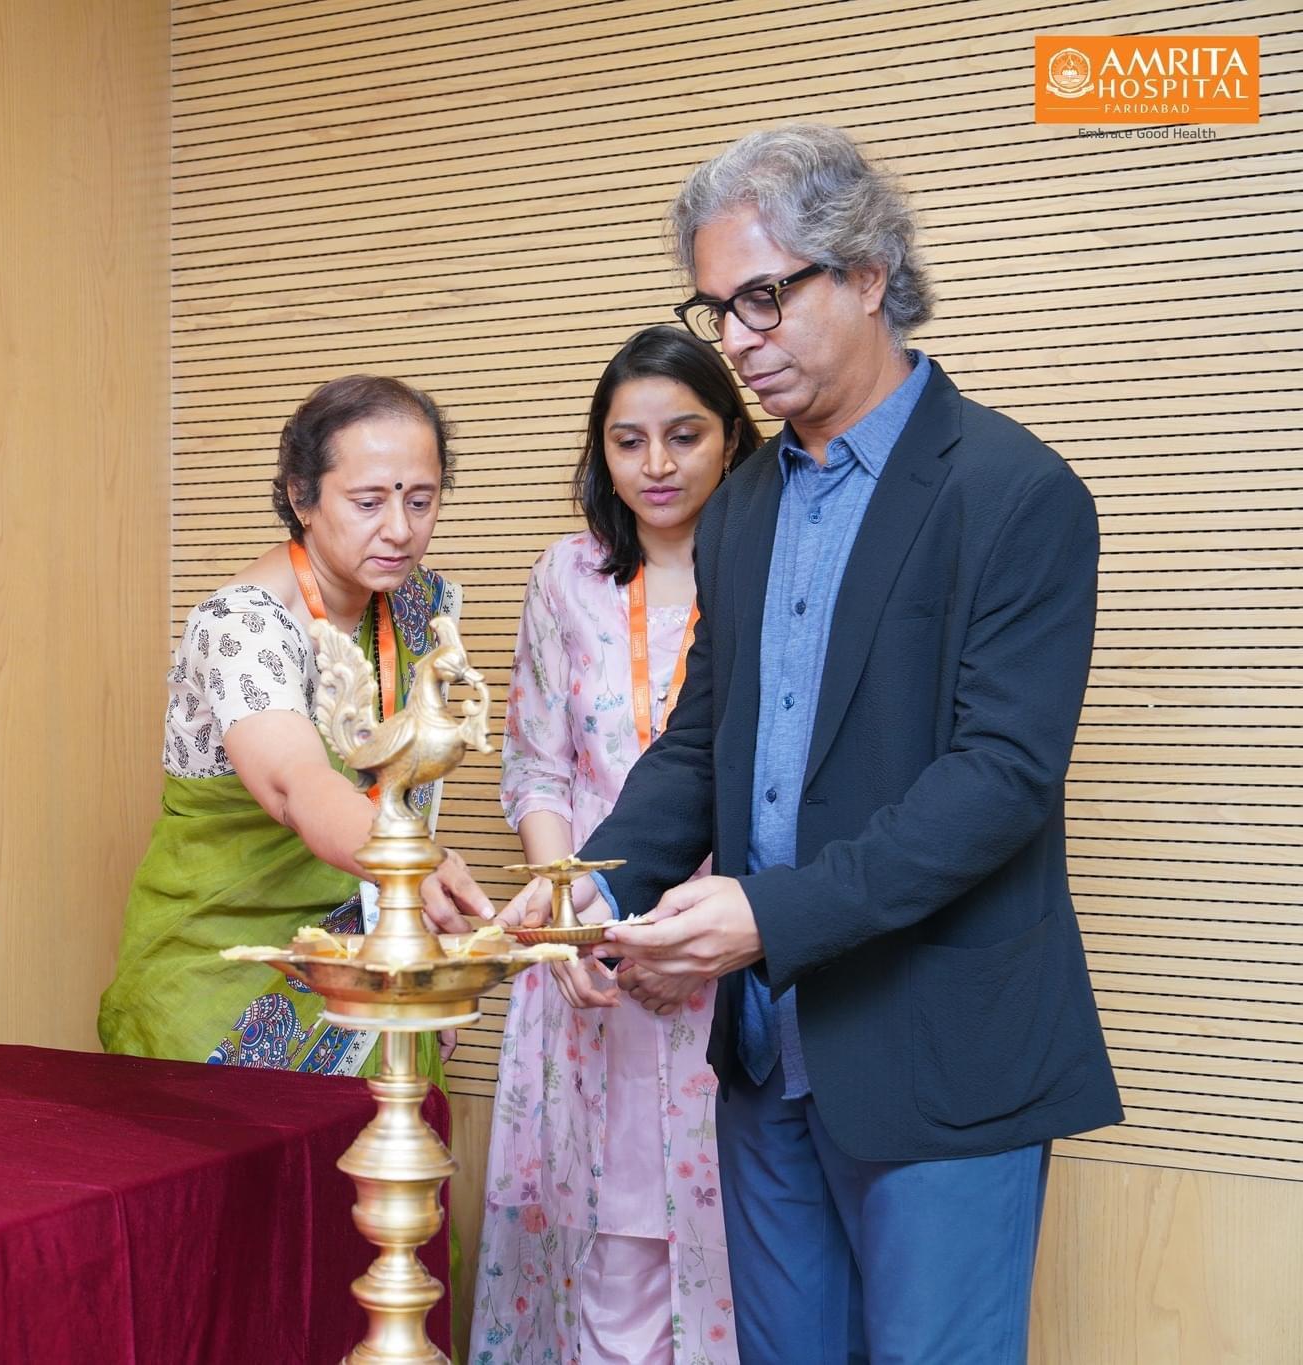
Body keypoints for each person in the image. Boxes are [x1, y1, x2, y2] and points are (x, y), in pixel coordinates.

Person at [502, 125, 1122, 1362]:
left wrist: (767, 918)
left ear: (869, 276)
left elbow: (998, 782)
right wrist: (594, 881)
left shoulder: (1011, 489)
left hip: (939, 1059)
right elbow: (695, 744)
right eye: (715, 305)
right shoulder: (741, 508)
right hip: (764, 1056)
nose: (733, 339)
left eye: (762, 297)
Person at [471, 327, 759, 1365]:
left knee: (725, 1238)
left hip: (722, 955)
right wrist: (561, 913)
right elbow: (536, 767)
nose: (655, 466)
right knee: (594, 1239)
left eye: (682, 436)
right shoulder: (567, 576)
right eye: (627, 441)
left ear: (731, 436)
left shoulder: (771, 569)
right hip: (584, 952)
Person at [98, 375, 493, 1084]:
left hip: (374, 972)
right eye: (369, 501)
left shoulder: (414, 607)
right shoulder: (243, 624)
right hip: (224, 991)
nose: (400, 528)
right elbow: (296, 784)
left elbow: (399, 785)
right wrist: (409, 862)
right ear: (301, 496)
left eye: (421, 499)